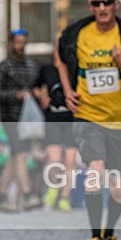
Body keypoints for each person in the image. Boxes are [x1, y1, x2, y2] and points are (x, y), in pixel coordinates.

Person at [55, 0, 121, 240]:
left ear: (116, 5)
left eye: (107, 2)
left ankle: (109, 235)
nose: (102, 8)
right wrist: (67, 90)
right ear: (90, 6)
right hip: (88, 116)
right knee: (95, 170)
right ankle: (95, 237)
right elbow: (59, 58)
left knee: (119, 187)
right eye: (96, 3)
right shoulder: (77, 33)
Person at [0, 28, 42, 211]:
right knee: (20, 153)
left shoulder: (32, 66)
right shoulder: (2, 67)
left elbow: (38, 87)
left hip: (27, 118)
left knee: (15, 156)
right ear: (11, 43)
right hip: (10, 117)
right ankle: (27, 195)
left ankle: (1, 196)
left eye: (24, 42)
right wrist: (16, 95)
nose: (21, 46)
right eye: (18, 42)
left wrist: (37, 94)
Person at [34, 62, 78, 212]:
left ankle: (64, 198)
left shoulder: (76, 66)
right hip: (52, 118)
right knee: (54, 159)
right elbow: (35, 87)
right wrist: (41, 98)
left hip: (73, 118)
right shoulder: (47, 68)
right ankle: (52, 190)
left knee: (70, 161)